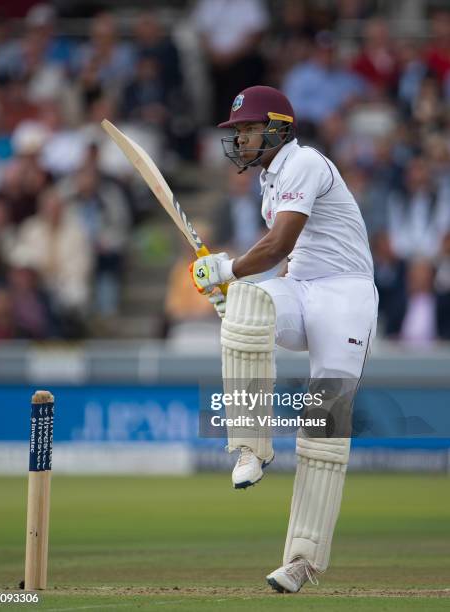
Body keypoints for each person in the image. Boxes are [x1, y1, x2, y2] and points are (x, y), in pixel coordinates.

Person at [190, 86, 378, 593]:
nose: (241, 140)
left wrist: (225, 270)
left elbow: (279, 244)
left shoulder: (306, 162)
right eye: (238, 132)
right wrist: (238, 299)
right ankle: (251, 447)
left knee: (323, 425)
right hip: (304, 290)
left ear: (278, 128)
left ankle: (302, 560)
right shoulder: (269, 180)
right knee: (246, 308)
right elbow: (287, 261)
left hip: (346, 297)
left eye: (248, 129)